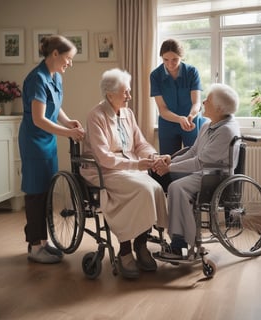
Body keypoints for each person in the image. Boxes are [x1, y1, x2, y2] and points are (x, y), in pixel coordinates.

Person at [80, 68, 168, 279]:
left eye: (128, 91)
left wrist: (153, 156)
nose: (129, 96)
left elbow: (140, 143)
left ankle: (141, 244)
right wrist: (138, 165)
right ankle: (125, 249)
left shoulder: (128, 113)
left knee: (155, 187)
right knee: (142, 189)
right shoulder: (96, 115)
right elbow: (104, 157)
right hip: (105, 170)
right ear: (110, 95)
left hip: (128, 166)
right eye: (125, 92)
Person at [153, 83, 241, 258]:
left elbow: (199, 162)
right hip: (204, 172)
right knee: (157, 174)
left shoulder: (226, 130)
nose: (204, 102)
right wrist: (169, 161)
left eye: (208, 100)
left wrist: (169, 167)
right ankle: (156, 226)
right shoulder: (208, 125)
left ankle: (179, 244)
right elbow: (193, 151)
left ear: (219, 108)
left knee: (176, 187)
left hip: (215, 177)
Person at [18, 35, 85, 264]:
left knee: (46, 192)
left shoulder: (54, 76)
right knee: (36, 194)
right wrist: (67, 133)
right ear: (55, 54)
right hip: (34, 141)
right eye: (68, 58)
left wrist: (68, 122)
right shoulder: (37, 78)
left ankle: (44, 243)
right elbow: (39, 119)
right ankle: (35, 246)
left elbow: (55, 107)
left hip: (48, 141)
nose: (70, 63)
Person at [150, 38, 206, 156]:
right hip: (167, 123)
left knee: (194, 158)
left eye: (175, 59)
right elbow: (162, 109)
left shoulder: (192, 72)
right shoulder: (155, 76)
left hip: (190, 121)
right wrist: (179, 119)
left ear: (181, 57)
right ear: (162, 58)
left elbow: (196, 103)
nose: (170, 64)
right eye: (166, 59)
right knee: (168, 161)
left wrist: (190, 116)